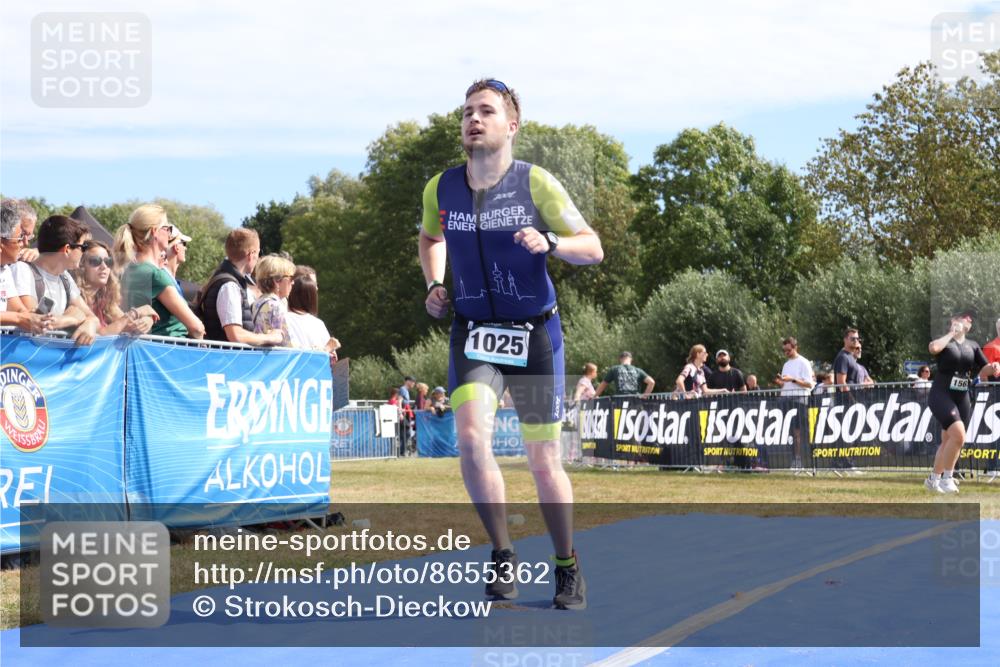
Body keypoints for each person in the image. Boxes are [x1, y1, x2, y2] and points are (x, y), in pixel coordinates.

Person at [418, 78, 603, 610]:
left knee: (543, 461)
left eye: (487, 111)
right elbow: (431, 239)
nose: (474, 119)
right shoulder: (441, 188)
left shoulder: (536, 183)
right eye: (467, 111)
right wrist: (435, 283)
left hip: (534, 335)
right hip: (473, 332)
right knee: (472, 438)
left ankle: (566, 565)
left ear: (511, 125)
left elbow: (592, 247)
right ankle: (502, 553)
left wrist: (552, 242)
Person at [925, 312, 1000, 493]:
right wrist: (952, 333)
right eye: (964, 317)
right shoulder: (946, 342)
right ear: (953, 321)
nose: (968, 320)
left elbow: (984, 368)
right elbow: (933, 348)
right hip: (941, 394)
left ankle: (933, 479)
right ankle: (947, 478)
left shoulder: (972, 346)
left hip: (961, 396)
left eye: (970, 320)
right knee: (959, 435)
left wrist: (994, 367)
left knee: (949, 440)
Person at [115, 204, 205, 339]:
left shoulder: (127, 271)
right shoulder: (156, 274)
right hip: (169, 353)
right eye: (167, 228)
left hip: (141, 350)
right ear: (154, 232)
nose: (169, 234)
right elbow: (196, 328)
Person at [9, 215, 99, 345]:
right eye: (83, 247)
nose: (84, 252)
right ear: (67, 249)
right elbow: (37, 321)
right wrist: (74, 317)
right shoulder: (23, 270)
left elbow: (92, 317)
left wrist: (89, 322)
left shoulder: (65, 277)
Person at [195, 228, 279, 346]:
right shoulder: (229, 286)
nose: (258, 258)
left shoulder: (226, 280)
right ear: (251, 254)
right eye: (258, 253)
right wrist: (269, 338)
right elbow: (235, 335)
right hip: (226, 360)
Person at [72, 240, 157, 335]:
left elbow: (126, 323)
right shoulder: (74, 297)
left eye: (108, 261)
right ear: (81, 265)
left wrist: (147, 319)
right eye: (95, 261)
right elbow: (101, 334)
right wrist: (135, 313)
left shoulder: (104, 300)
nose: (104, 266)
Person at [1, 199, 50, 332]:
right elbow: (18, 315)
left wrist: (32, 316)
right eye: (20, 237)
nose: (26, 243)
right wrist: (19, 319)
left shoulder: (4, 269)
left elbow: (17, 308)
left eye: (28, 236)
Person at [775, 337, 814, 469]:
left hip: (800, 400)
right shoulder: (786, 364)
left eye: (788, 350)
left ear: (795, 347)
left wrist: (792, 379)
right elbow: (786, 384)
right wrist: (782, 383)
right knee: (790, 432)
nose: (786, 352)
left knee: (798, 432)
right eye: (784, 350)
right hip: (786, 399)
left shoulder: (804, 362)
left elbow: (809, 384)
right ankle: (793, 459)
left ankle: (799, 460)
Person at [285, 270, 340, 359]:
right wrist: (328, 349)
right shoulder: (318, 323)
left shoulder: (282, 318)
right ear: (312, 298)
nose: (317, 289)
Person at [251, 253, 296, 346]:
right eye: (291, 278)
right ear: (277, 281)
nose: (293, 282)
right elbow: (289, 346)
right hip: (275, 359)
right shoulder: (276, 306)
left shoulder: (257, 303)